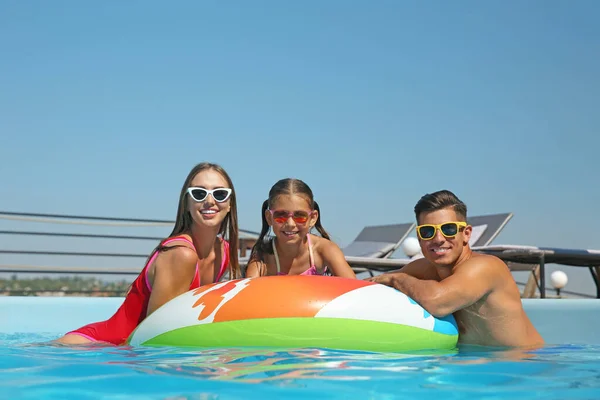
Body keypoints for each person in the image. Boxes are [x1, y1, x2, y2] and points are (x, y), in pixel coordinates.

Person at [55, 162, 240, 346]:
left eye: (220, 194)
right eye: (199, 193)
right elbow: (155, 335)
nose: (209, 201)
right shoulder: (181, 254)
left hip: (123, 352)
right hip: (96, 347)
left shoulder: (223, 251)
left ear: (230, 204)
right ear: (187, 203)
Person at [367, 190, 544, 348]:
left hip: (523, 366)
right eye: (427, 231)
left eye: (449, 229)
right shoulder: (422, 269)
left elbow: (437, 302)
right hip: (476, 369)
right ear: (420, 238)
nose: (438, 239)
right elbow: (366, 288)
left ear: (466, 234)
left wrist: (397, 279)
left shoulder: (486, 267)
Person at [245, 178, 356, 279]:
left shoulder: (324, 250)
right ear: (269, 218)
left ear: (312, 218)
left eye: (300, 216)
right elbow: (247, 292)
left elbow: (354, 288)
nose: (290, 223)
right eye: (281, 215)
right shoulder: (263, 256)